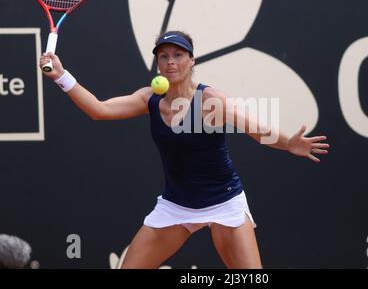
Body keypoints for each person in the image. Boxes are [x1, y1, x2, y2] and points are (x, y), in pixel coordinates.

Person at [39, 30, 329, 269]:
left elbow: (255, 129)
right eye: (163, 57)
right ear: (158, 65)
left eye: (178, 55)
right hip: (176, 206)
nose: (170, 62)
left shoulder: (210, 100)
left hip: (224, 202)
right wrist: (62, 77)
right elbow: (99, 110)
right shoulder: (149, 98)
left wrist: (289, 142)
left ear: (192, 60)